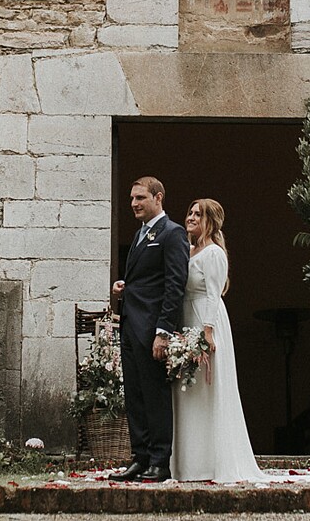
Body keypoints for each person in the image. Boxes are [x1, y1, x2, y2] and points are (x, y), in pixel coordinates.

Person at [171, 198, 266, 484]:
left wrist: (207, 332)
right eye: (189, 212)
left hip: (204, 320)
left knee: (207, 390)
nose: (190, 217)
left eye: (197, 214)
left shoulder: (213, 254)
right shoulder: (187, 250)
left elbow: (214, 293)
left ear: (209, 221)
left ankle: (211, 464)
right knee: (188, 392)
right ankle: (189, 464)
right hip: (186, 319)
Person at [107, 176, 188, 482]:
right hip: (130, 326)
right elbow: (146, 281)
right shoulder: (141, 234)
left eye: (140, 198)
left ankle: (159, 461)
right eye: (131, 199)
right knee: (135, 397)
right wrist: (124, 288)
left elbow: (174, 285)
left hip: (152, 329)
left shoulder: (172, 233)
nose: (134, 204)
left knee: (155, 396)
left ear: (158, 198)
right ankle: (139, 458)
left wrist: (163, 331)